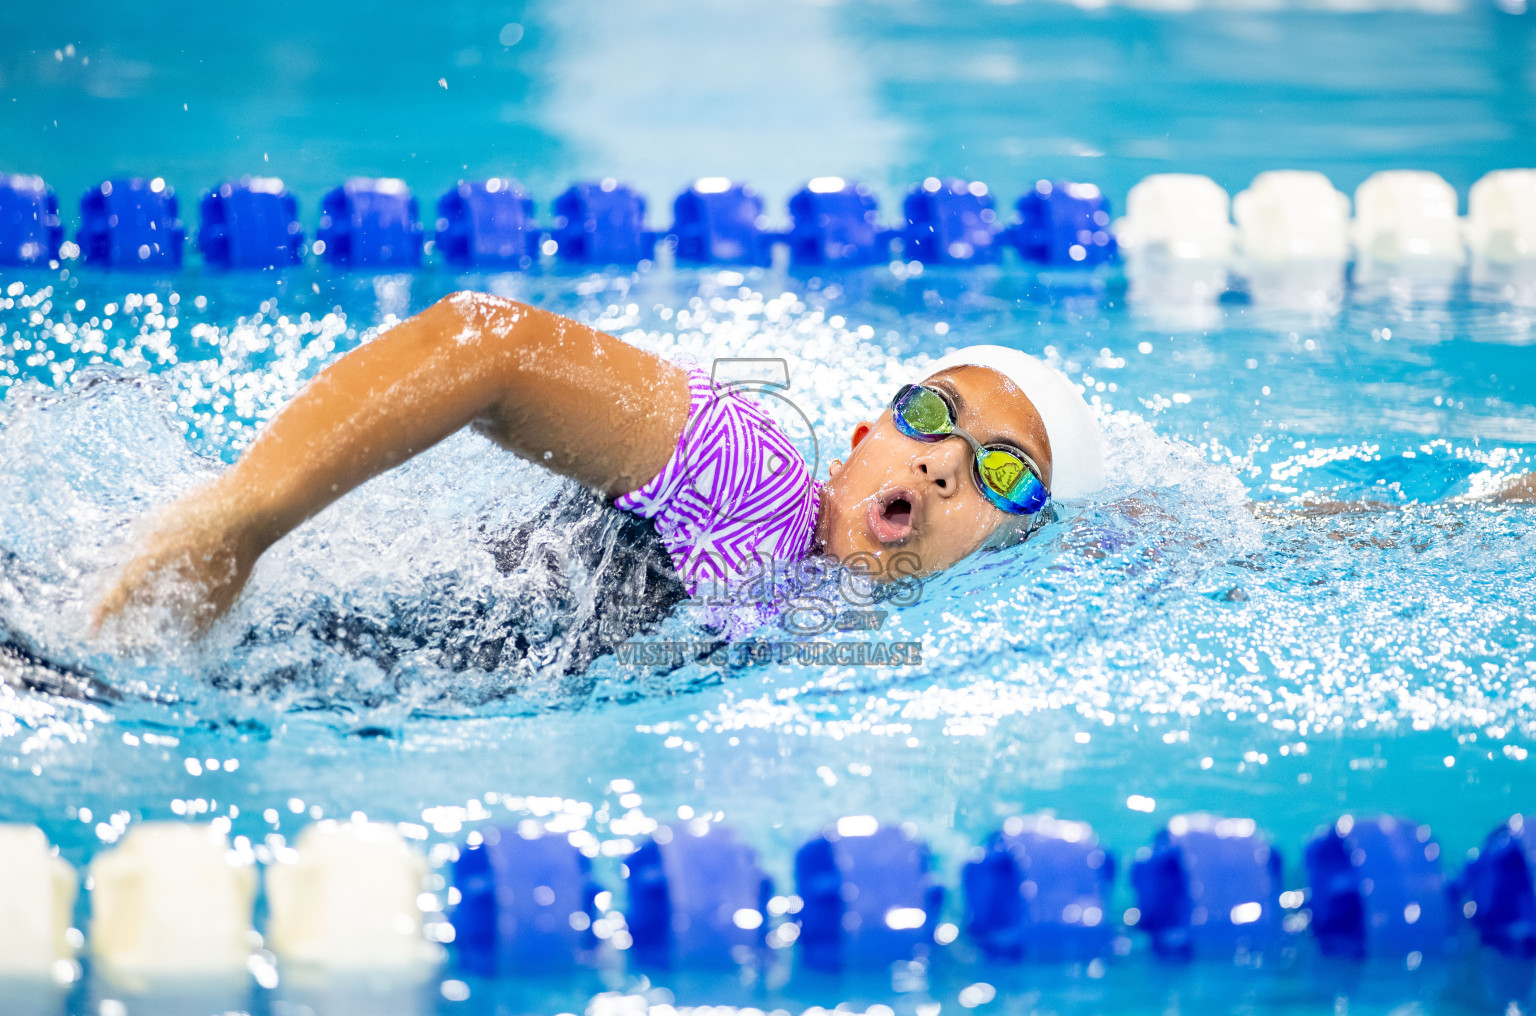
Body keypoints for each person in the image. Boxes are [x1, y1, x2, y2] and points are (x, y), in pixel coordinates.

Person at [91, 291, 1106, 639]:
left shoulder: (828, 627)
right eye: (931, 414)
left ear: (1002, 549)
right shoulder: (750, 479)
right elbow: (485, 342)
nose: (943, 465)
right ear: (859, 442)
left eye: (1003, 474)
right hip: (269, 641)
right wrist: (238, 524)